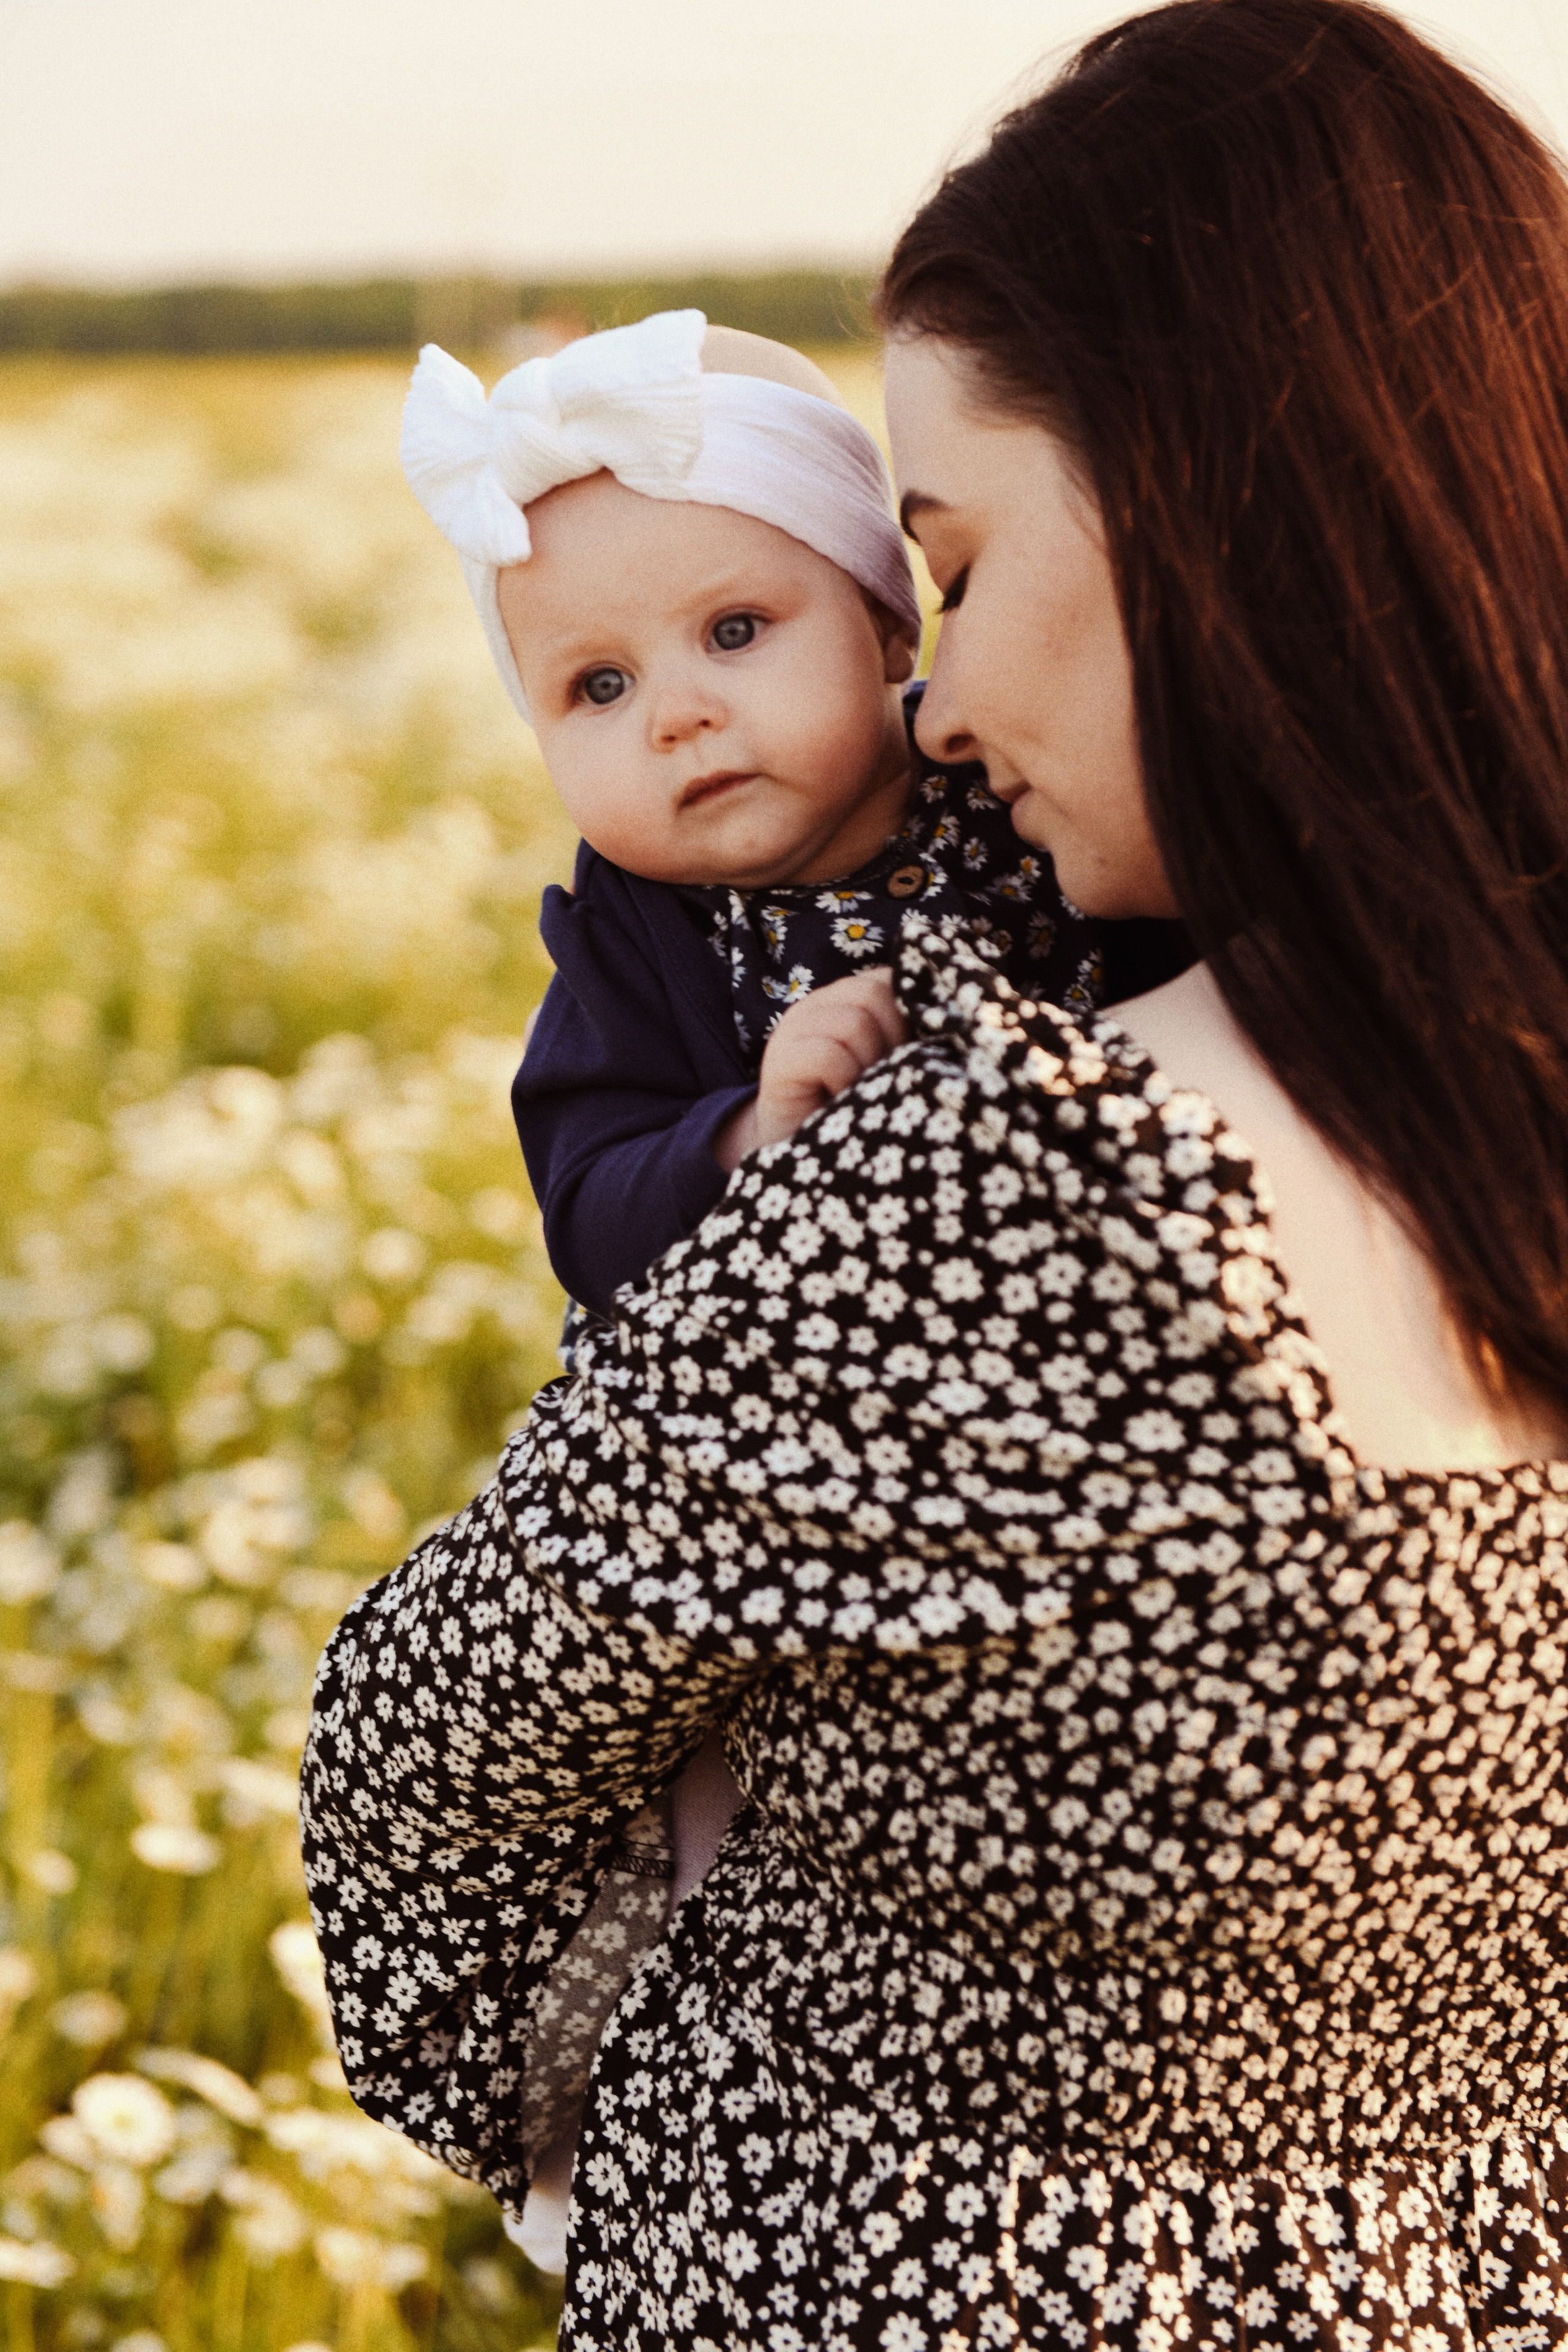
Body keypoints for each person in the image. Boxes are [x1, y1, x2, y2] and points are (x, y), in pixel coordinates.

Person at [302, 2, 1568, 2345]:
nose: (949, 705)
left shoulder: (1007, 1202)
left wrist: (638, 2117)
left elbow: (417, 1770)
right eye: (587, 686)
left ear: (1220, 531)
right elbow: (586, 1164)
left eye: (954, 577)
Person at [397, 312, 1187, 2267]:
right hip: (740, 1505)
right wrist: (743, 1136)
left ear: (894, 628)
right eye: (593, 686)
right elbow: (582, 1186)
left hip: (1035, 1484)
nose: (675, 712)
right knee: (702, 1820)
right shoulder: (634, 939)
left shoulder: (1036, 823)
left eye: (736, 634)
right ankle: (608, 2107)